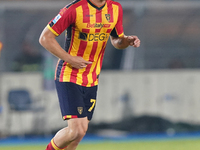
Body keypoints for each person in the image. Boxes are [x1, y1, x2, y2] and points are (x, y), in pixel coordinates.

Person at [39, 0, 140, 150]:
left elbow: (116, 40)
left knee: (80, 133)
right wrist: (71, 59)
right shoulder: (74, 9)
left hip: (92, 78)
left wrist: (127, 40)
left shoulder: (115, 8)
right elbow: (45, 38)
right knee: (77, 130)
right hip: (69, 74)